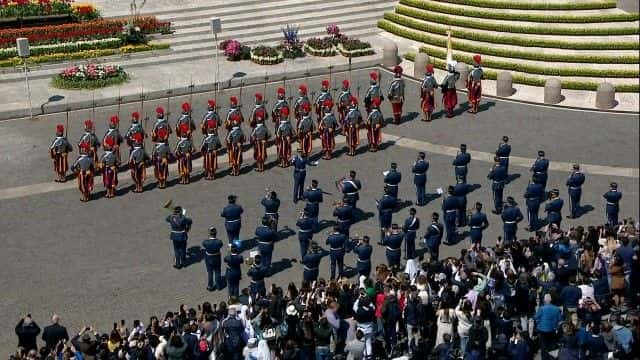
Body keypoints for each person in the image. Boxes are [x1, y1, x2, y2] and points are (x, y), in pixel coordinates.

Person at [534, 294, 563, 360]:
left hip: (542, 329)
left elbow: (535, 317)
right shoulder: (556, 308)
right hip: (552, 329)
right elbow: (560, 319)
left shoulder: (542, 308)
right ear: (551, 300)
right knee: (551, 345)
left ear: (544, 300)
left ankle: (544, 358)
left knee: (543, 346)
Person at [202, 227, 223, 291]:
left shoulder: (206, 242)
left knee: (210, 272)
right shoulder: (219, 242)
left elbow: (204, 244)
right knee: (217, 272)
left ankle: (210, 286)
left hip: (209, 258)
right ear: (216, 233)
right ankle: (219, 286)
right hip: (217, 258)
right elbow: (221, 245)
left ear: (209, 234)